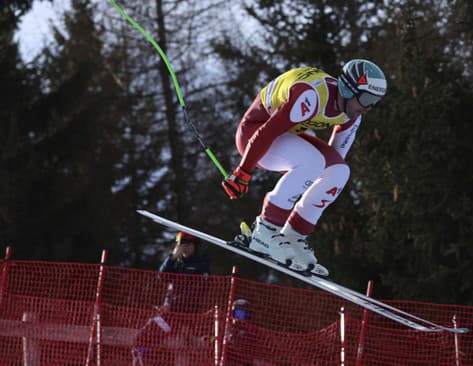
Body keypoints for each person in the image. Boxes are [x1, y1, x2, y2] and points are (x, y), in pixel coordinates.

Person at [221, 59, 387, 277]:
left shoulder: (352, 113)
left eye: (374, 101)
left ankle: (294, 235)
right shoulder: (312, 95)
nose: (368, 107)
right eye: (366, 98)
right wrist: (243, 172)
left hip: (288, 136)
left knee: (339, 171)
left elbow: (334, 162)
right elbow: (267, 132)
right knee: (313, 162)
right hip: (254, 134)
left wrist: (314, 193)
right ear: (348, 89)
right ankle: (266, 230)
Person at [132, 231, 210, 365]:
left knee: (144, 338)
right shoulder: (176, 263)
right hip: (169, 315)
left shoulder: (200, 266)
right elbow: (162, 276)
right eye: (181, 244)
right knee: (143, 340)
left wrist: (172, 305)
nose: (184, 247)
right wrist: (172, 257)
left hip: (181, 317)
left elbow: (196, 294)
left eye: (188, 244)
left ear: (195, 246)